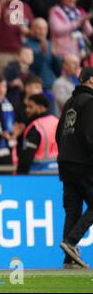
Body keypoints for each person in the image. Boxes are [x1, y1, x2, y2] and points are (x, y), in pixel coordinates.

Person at [56, 66, 93, 269]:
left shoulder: (70, 103)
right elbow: (90, 135)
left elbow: (58, 133)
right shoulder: (90, 102)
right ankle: (71, 242)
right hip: (83, 162)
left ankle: (69, 259)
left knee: (73, 209)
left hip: (66, 163)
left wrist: (65, 155)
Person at [0, 0, 34, 74]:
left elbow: (33, 28)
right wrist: (2, 1)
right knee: (1, 81)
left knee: (19, 82)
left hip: (22, 53)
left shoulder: (25, 6)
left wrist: (28, 32)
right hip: (2, 51)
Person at [17, 93, 58, 174]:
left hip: (37, 174)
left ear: (41, 108)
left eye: (30, 107)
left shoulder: (36, 127)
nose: (27, 110)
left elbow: (26, 157)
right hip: (57, 173)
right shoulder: (57, 121)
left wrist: (20, 175)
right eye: (26, 107)